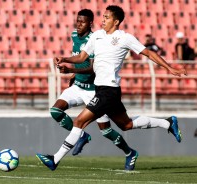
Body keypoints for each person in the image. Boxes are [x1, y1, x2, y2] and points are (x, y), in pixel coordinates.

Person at [36, 5, 187, 171]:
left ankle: (54, 160)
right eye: (103, 16)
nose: (103, 20)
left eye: (106, 18)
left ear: (116, 22)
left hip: (109, 91)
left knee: (79, 121)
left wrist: (169, 68)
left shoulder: (125, 38)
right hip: (103, 90)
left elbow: (149, 54)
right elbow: (81, 57)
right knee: (126, 124)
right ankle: (167, 123)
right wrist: (65, 59)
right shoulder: (97, 36)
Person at [49, 9, 137, 170]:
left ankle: (129, 152)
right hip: (78, 87)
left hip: (93, 91)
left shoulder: (97, 38)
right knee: (55, 111)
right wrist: (75, 75)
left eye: (82, 22)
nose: (79, 24)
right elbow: (78, 57)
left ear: (90, 24)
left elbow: (93, 67)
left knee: (106, 130)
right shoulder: (74, 35)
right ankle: (81, 135)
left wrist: (72, 70)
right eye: (77, 21)